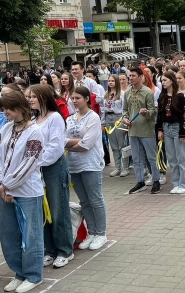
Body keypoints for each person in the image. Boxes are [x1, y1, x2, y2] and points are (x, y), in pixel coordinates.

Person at [0, 92, 45, 293]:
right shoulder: (5, 128)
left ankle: (33, 275)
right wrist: (1, 182)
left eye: (9, 108)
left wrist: (7, 184)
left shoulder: (35, 132)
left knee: (30, 234)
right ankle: (19, 272)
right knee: (8, 234)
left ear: (21, 108)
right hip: (5, 188)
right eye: (3, 108)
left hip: (27, 191)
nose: (5, 112)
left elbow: (29, 163)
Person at [26, 84, 73, 269]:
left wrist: (35, 162)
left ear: (43, 97)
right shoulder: (33, 118)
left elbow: (55, 147)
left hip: (53, 168)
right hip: (37, 170)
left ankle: (64, 250)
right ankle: (49, 250)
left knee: (58, 208)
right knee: (42, 210)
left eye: (33, 96)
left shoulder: (55, 118)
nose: (29, 100)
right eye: (28, 96)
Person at [65, 86, 108, 251]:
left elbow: (87, 144)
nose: (75, 101)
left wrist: (71, 144)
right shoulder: (70, 118)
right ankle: (91, 232)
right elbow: (63, 140)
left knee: (95, 199)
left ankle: (101, 233)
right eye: (73, 98)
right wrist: (76, 142)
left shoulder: (93, 118)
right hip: (74, 165)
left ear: (87, 99)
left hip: (91, 164)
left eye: (78, 98)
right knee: (84, 201)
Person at [123, 67, 160, 194]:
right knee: (137, 158)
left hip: (146, 130)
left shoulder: (148, 92)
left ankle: (156, 180)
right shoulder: (127, 92)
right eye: (130, 76)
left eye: (133, 76)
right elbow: (125, 110)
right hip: (132, 130)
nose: (131, 78)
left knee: (151, 157)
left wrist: (146, 112)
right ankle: (140, 181)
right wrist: (125, 119)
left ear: (140, 77)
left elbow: (154, 111)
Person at [156, 72, 185, 194]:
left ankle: (183, 183)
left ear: (171, 80)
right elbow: (159, 114)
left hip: (176, 128)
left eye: (165, 80)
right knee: (172, 158)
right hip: (165, 127)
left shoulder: (179, 96)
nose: (163, 82)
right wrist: (159, 129)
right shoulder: (162, 96)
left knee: (181, 157)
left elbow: (183, 115)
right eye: (162, 80)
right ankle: (176, 183)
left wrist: (182, 132)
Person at [103, 75, 128, 177]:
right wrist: (103, 122)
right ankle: (117, 167)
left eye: (112, 81)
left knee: (121, 144)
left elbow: (124, 109)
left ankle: (125, 167)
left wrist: (123, 122)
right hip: (109, 118)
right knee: (113, 145)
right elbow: (103, 109)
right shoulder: (106, 94)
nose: (110, 82)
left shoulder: (122, 94)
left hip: (118, 117)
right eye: (109, 81)